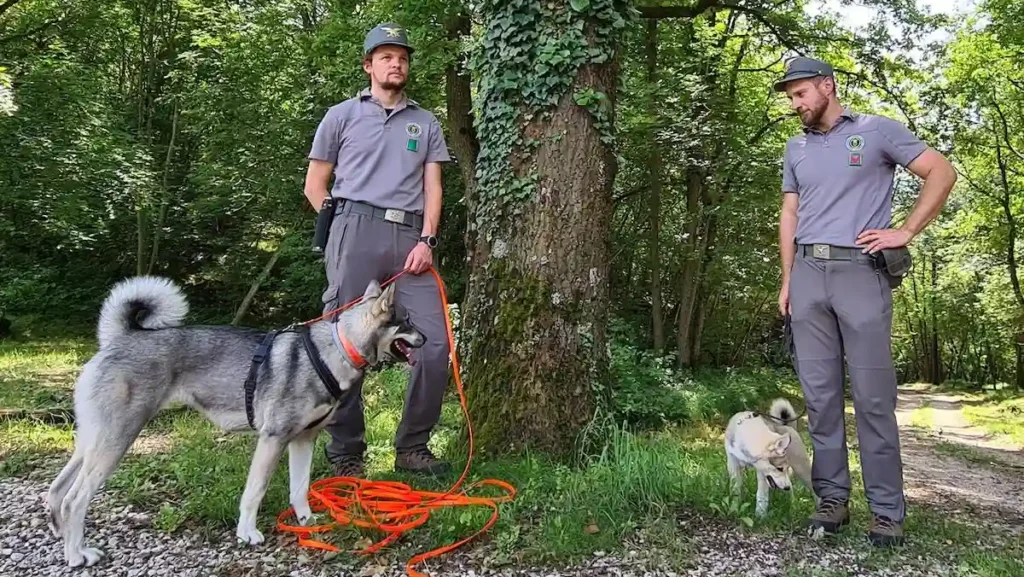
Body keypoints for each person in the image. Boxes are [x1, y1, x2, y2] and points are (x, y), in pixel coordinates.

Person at [774, 56, 956, 546]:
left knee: (874, 400)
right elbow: (790, 213)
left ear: (827, 87)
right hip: (809, 274)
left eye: (801, 94)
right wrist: (788, 278)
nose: (796, 104)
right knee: (821, 399)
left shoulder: (877, 131)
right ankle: (832, 500)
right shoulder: (795, 148)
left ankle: (886, 511)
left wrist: (906, 230)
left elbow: (940, 171)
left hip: (860, 270)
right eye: (791, 97)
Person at [303, 23, 453, 477]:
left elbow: (433, 186)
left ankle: (412, 447)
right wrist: (339, 229)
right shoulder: (342, 115)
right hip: (354, 229)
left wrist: (428, 239)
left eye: (403, 57)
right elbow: (315, 183)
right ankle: (346, 452)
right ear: (369, 65)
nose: (397, 63)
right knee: (345, 342)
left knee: (434, 343)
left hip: (411, 242)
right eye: (387, 56)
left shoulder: (424, 122)